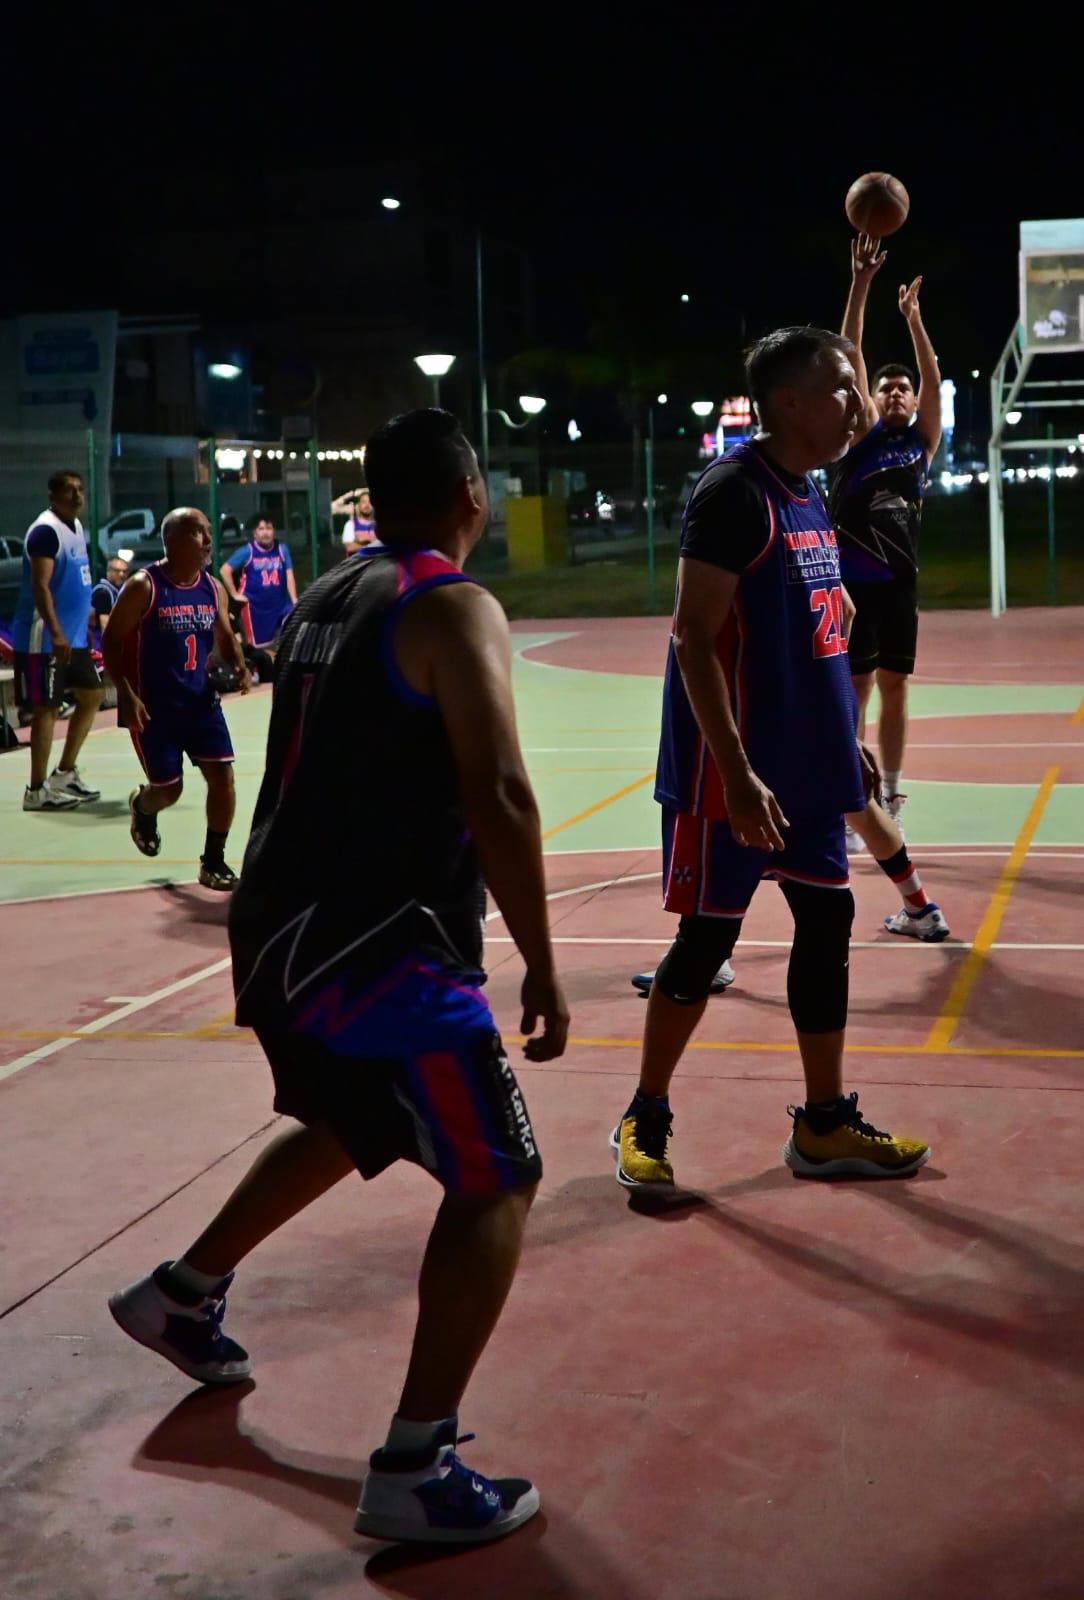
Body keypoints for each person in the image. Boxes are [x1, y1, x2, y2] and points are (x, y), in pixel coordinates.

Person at [107, 410, 568, 1546]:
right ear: (469, 492)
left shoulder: (321, 596)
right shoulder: (451, 605)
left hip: (279, 931)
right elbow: (499, 791)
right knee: (499, 1175)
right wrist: (544, 963)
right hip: (379, 950)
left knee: (347, 1116)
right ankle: (417, 1460)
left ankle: (178, 1291)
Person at [613, 327, 931, 1192]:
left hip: (809, 765)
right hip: (736, 776)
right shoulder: (734, 493)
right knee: (706, 937)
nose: (856, 403)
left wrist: (847, 741)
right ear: (787, 400)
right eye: (839, 388)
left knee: (826, 927)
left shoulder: (808, 491)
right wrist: (739, 773)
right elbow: (692, 640)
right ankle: (644, 1110)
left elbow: (824, 631)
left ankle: (824, 1124)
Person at [831, 233, 942, 843]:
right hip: (853, 587)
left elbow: (931, 372)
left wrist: (914, 320)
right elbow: (849, 352)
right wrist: (862, 282)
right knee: (857, 691)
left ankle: (892, 794)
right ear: (870, 400)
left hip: (899, 586)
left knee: (895, 688)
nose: (896, 391)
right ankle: (853, 798)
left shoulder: (920, 443)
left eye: (904, 388)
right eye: (886, 387)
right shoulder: (864, 437)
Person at [101, 508, 251, 890]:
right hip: (154, 709)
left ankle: (213, 861)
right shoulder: (144, 586)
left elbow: (223, 634)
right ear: (177, 539)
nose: (209, 541)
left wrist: (239, 664)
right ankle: (142, 806)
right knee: (169, 790)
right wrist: (127, 694)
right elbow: (111, 641)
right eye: (201, 533)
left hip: (200, 703)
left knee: (223, 777)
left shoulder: (211, 586)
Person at [12, 470, 104, 809]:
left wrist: (88, 617)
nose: (78, 495)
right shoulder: (44, 533)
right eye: (70, 490)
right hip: (45, 637)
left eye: (81, 488)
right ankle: (36, 791)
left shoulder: (76, 527)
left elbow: (77, 579)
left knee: (93, 694)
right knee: (46, 709)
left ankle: (64, 772)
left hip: (73, 636)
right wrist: (56, 631)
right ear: (53, 495)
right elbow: (40, 587)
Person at [219, 514, 298, 657]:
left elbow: (289, 574)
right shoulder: (247, 551)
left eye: (269, 528)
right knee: (259, 649)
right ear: (255, 533)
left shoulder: (282, 549)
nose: (266, 532)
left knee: (294, 627)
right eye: (261, 529)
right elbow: (224, 570)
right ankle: (255, 672)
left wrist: (294, 600)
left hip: (280, 604)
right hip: (255, 608)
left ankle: (283, 668)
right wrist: (235, 594)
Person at [91, 554, 130, 709]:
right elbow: (104, 624)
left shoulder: (115, 591)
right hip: (93, 644)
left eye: (124, 571)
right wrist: (113, 648)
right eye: (117, 571)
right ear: (109, 571)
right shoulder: (103, 592)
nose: (121, 574)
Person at [342, 488, 377, 553]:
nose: (367, 505)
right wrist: (371, 541)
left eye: (370, 502)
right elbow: (350, 547)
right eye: (364, 502)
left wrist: (362, 541)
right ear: (358, 505)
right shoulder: (350, 525)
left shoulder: (379, 524)